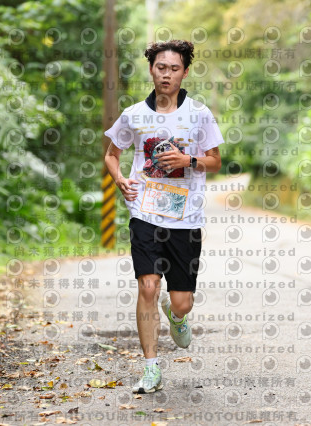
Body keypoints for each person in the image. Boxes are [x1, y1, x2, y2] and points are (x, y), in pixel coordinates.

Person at [103, 39, 224, 394]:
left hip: (185, 218)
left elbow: (216, 161)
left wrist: (188, 160)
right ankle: (150, 367)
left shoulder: (199, 114)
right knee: (148, 286)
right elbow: (111, 154)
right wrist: (120, 179)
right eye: (160, 68)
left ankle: (176, 314)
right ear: (151, 70)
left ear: (185, 72)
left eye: (174, 68)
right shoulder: (133, 115)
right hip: (145, 212)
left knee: (182, 301)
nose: (166, 74)